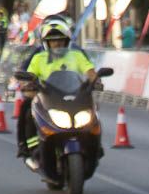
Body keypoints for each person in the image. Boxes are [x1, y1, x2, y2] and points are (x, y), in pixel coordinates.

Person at [16, 17, 97, 168]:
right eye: (53, 41)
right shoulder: (38, 58)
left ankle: (94, 145)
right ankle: (28, 147)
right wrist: (27, 86)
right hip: (46, 99)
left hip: (73, 97)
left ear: (67, 41)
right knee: (26, 109)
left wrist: (96, 81)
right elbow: (28, 77)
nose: (57, 44)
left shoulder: (77, 55)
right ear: (46, 43)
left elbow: (90, 71)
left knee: (93, 112)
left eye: (60, 40)